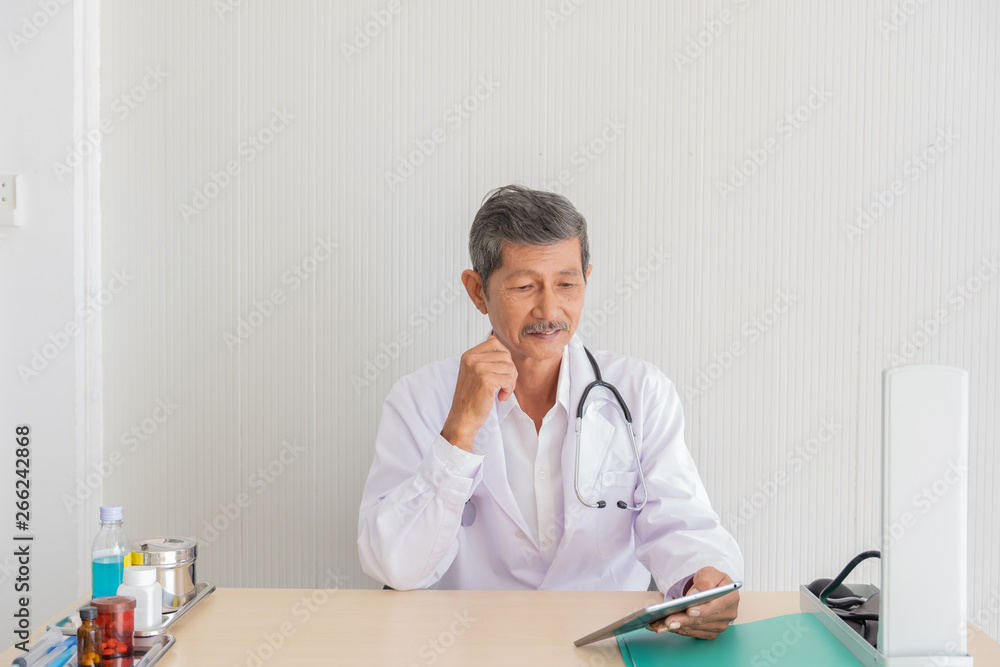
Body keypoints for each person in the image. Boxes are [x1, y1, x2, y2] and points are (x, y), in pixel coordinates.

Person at [358, 185, 743, 639]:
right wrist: (459, 432)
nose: (549, 309)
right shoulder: (419, 398)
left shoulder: (641, 391)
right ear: (478, 291)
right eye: (524, 286)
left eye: (566, 284)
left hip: (603, 644)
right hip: (466, 643)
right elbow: (396, 566)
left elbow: (680, 520)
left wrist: (704, 581)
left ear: (587, 280)